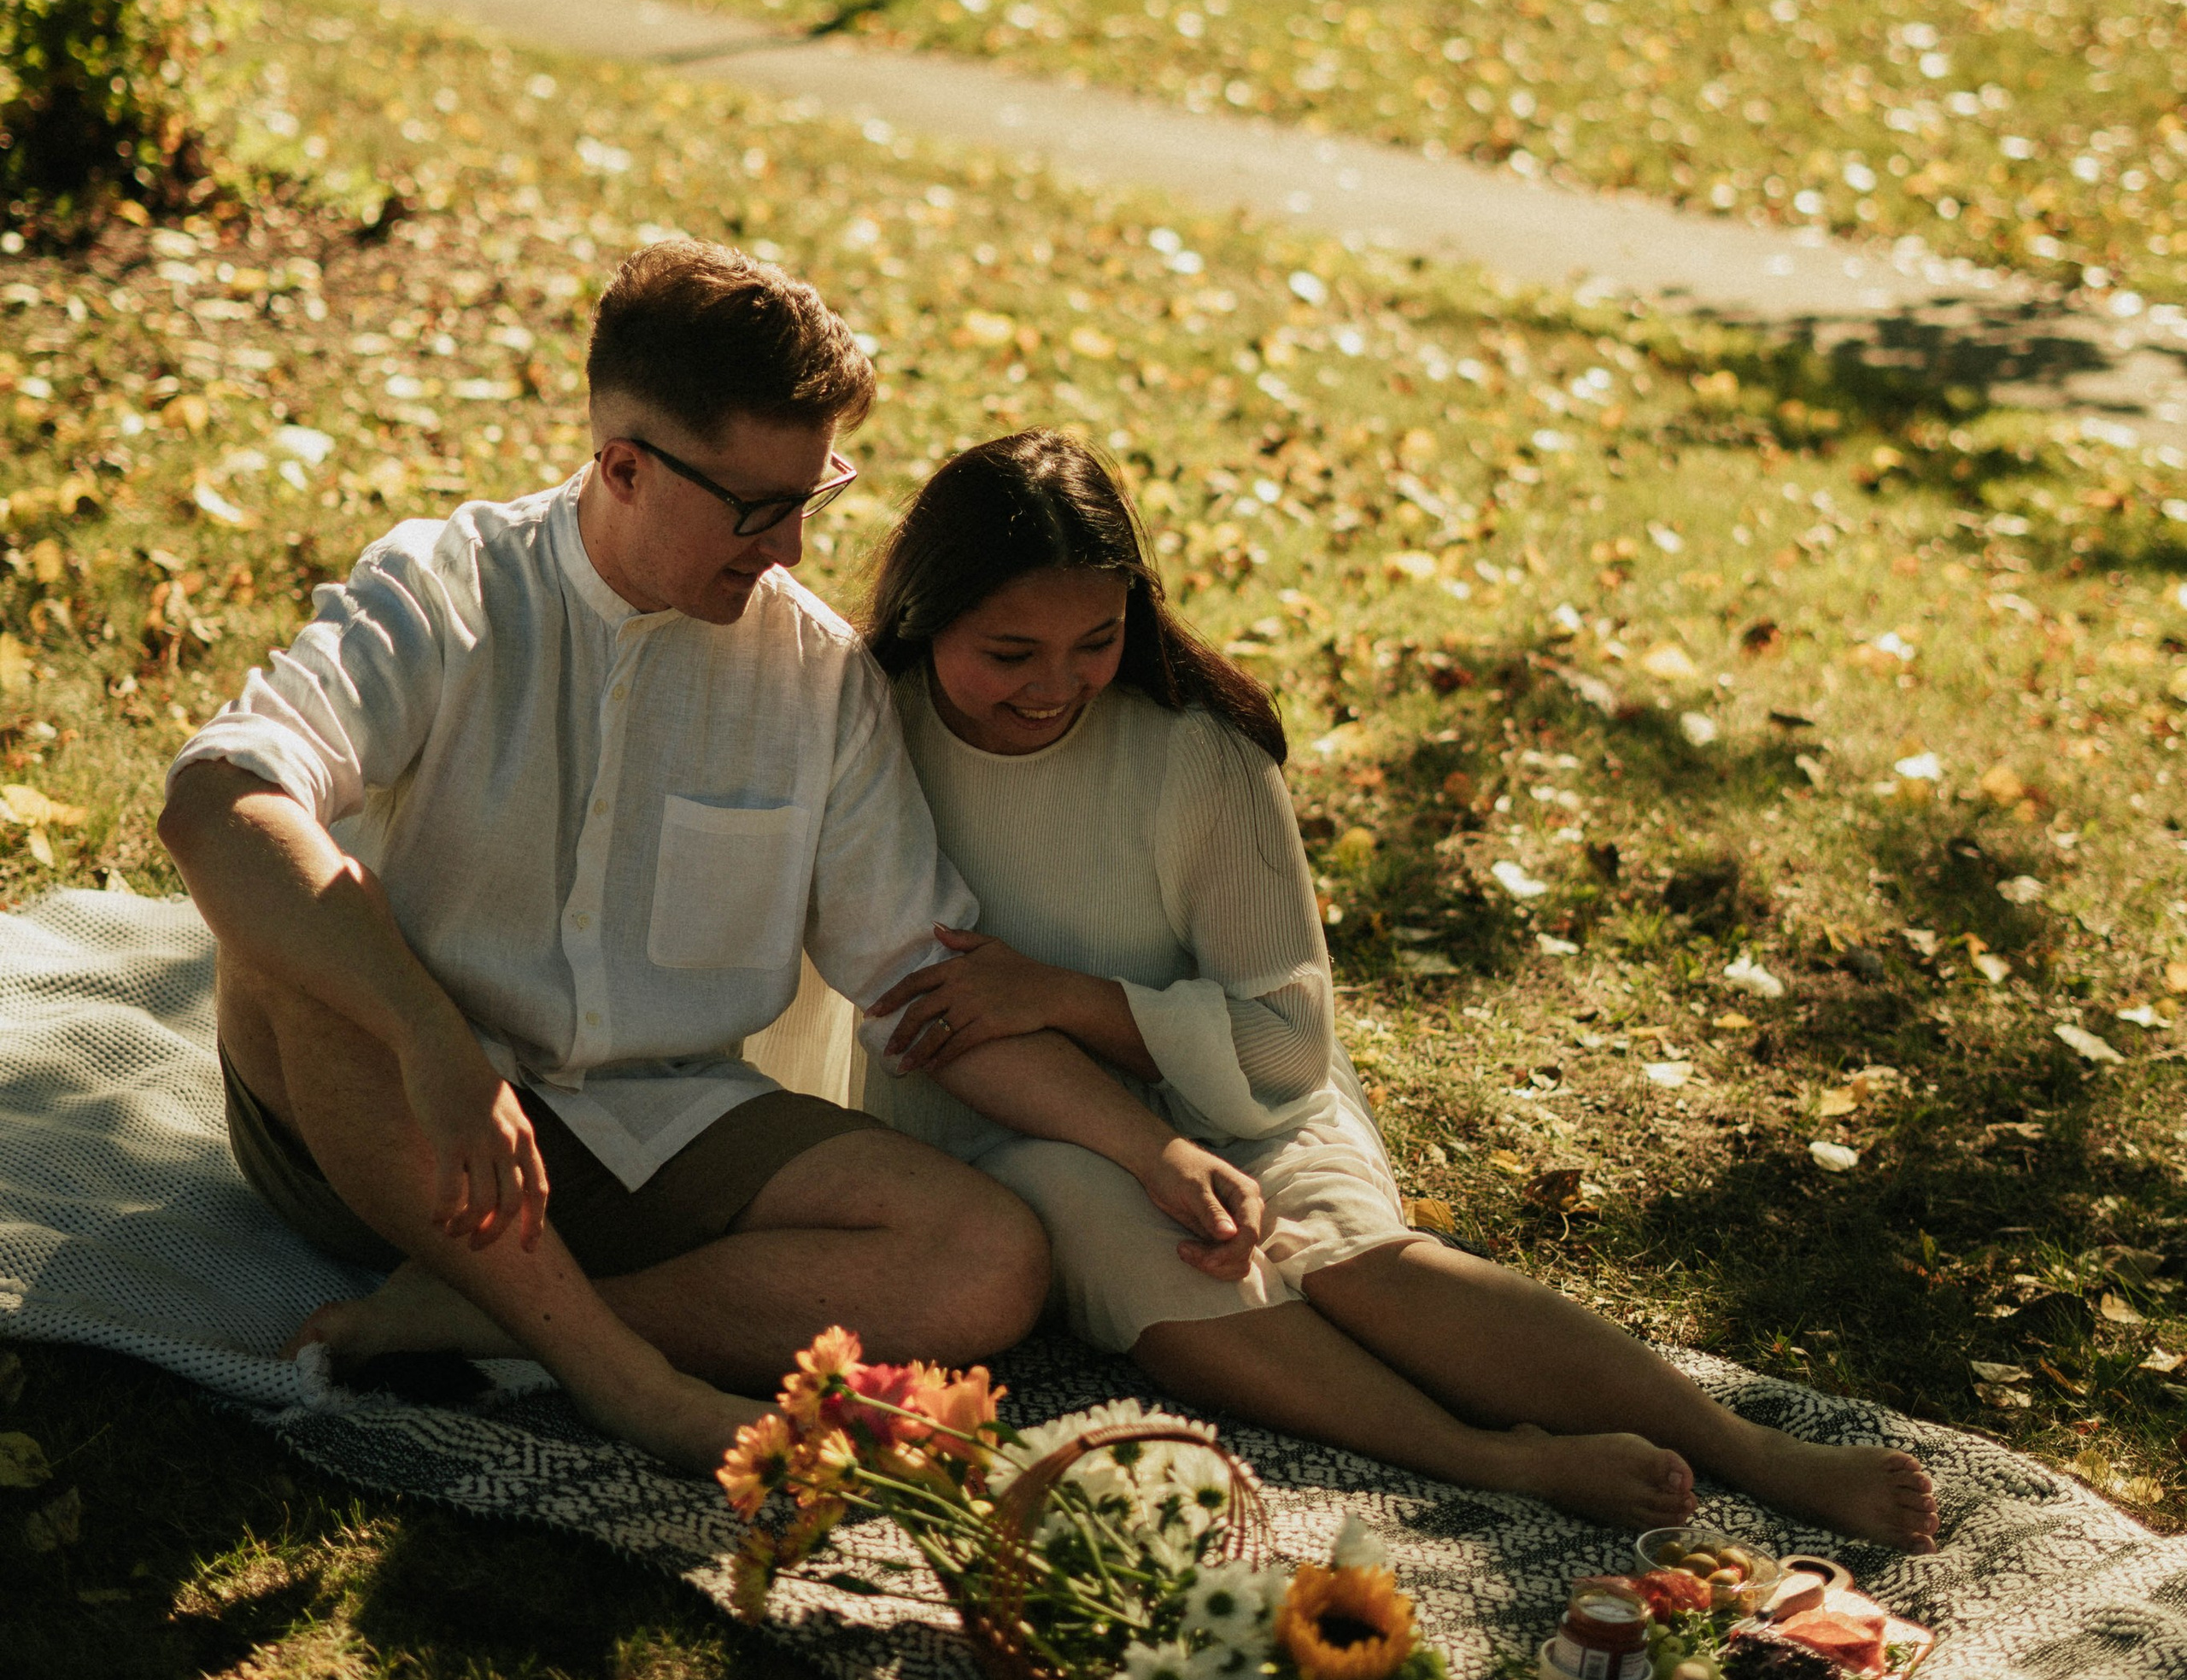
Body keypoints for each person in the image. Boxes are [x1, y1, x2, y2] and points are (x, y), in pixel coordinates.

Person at [857, 431, 1938, 1549]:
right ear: (927, 614)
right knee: (1118, 1229)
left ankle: (1753, 1450)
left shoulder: (1197, 754)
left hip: (1231, 1086)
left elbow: (1285, 1047)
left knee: (1346, 1260)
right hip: (993, 1123)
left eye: (1096, 641)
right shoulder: (871, 736)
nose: (1053, 686)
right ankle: (1492, 1460)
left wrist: (1067, 996)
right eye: (1008, 651)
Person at [158, 241, 1070, 1475]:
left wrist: (1151, 1151)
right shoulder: (449, 588)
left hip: (655, 1122)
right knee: (301, 924)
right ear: (625, 468)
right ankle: (623, 1380)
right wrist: (436, 1049)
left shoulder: (816, 678)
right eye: (759, 508)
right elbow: (215, 801)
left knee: (990, 1261)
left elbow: (922, 981)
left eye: (817, 493)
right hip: (387, 1119)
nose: (795, 548)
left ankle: (490, 1318)